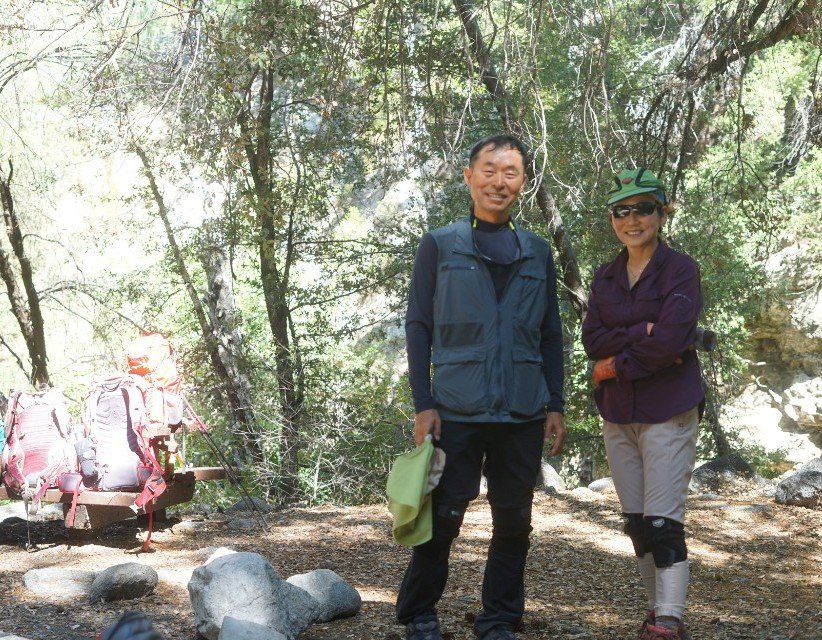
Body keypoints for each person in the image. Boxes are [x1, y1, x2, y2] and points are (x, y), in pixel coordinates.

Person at [397, 134, 566, 640]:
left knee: (514, 522)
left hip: (522, 410)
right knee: (443, 516)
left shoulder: (536, 251)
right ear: (469, 177)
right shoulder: (440, 244)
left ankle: (499, 620)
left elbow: (550, 333)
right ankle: (420, 615)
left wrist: (555, 403)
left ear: (523, 181)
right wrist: (423, 403)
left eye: (510, 172)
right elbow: (418, 325)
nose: (499, 181)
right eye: (489, 170)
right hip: (456, 407)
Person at [581, 168, 704, 640]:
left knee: (662, 520)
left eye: (644, 209)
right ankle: (655, 612)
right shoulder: (605, 276)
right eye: (621, 211)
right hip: (618, 413)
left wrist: (614, 365)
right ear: (612, 218)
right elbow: (592, 340)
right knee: (637, 523)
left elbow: (670, 340)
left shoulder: (680, 270)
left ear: (662, 213)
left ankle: (670, 619)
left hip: (668, 409)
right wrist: (640, 332)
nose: (632, 220)